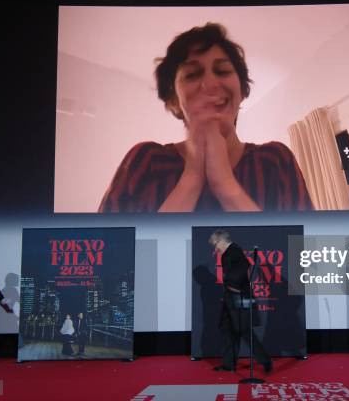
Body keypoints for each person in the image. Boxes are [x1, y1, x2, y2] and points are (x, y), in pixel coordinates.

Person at [99, 22, 313, 213]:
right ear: (173, 100)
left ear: (242, 91)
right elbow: (111, 252)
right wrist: (191, 179)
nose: (210, 84)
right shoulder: (146, 161)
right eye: (192, 75)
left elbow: (299, 254)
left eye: (222, 71)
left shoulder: (274, 161)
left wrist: (225, 184)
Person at [209, 229, 272, 373]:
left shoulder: (234, 251)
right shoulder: (229, 252)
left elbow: (244, 269)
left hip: (238, 296)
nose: (215, 248)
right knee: (227, 329)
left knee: (243, 330)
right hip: (230, 297)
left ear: (221, 240)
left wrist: (231, 284)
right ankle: (228, 365)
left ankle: (265, 360)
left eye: (215, 244)